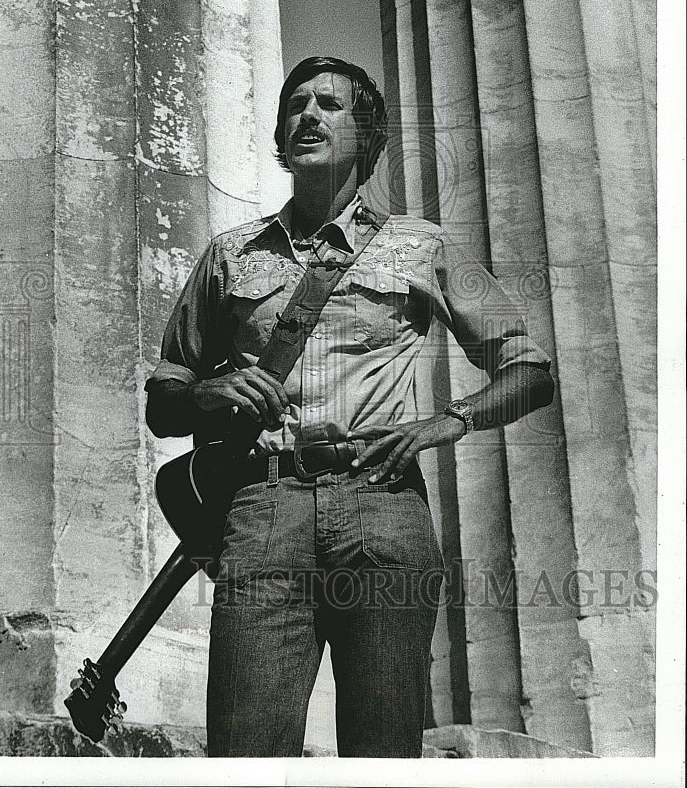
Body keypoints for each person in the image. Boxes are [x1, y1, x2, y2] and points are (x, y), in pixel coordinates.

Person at [145, 56, 554, 758]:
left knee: (383, 752)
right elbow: (165, 400)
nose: (308, 114)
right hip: (261, 509)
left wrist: (451, 419)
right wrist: (208, 393)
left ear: (366, 134)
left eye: (330, 104)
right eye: (295, 104)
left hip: (382, 503)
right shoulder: (228, 254)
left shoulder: (420, 244)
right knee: (244, 752)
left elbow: (529, 368)